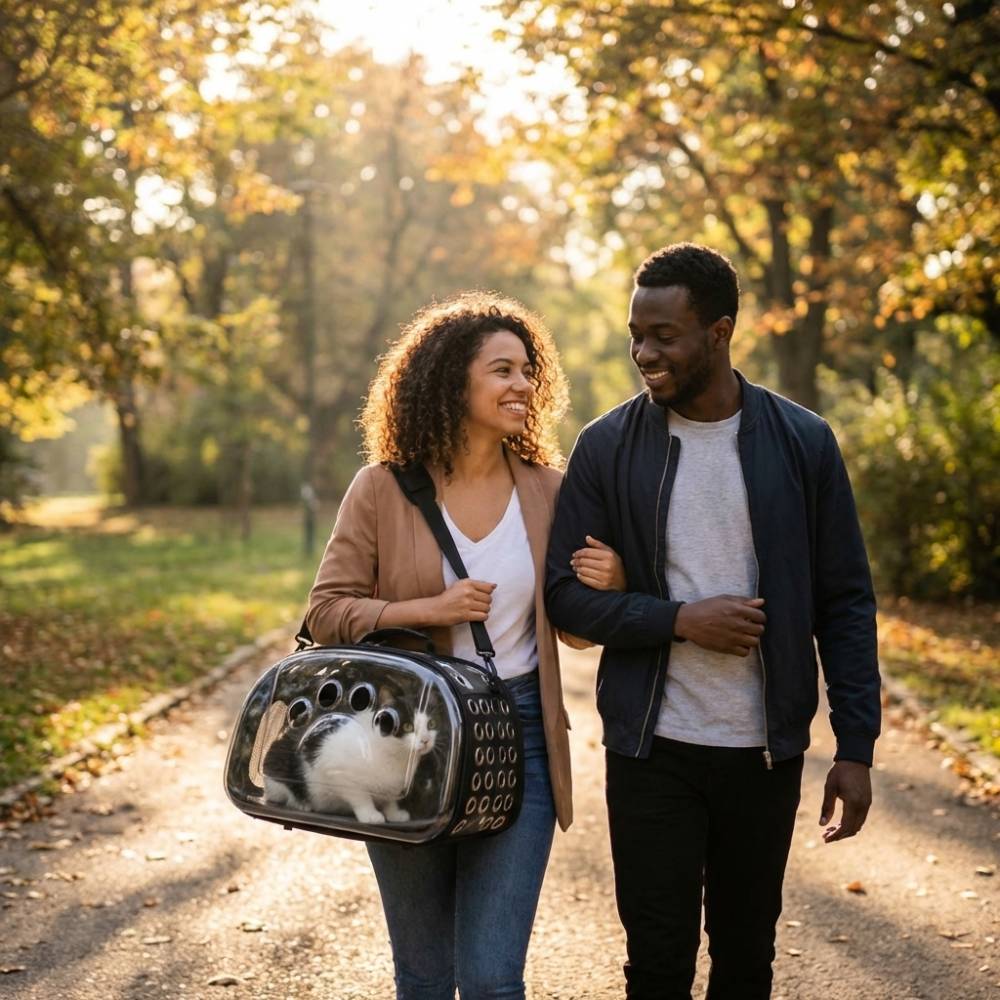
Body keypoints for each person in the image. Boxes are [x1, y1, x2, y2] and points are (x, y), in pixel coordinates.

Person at [545, 242, 880, 999]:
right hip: (649, 750)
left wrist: (855, 744)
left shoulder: (803, 443)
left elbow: (846, 602)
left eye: (664, 335)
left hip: (762, 754)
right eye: (636, 333)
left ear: (720, 332)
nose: (644, 352)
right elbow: (566, 597)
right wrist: (679, 620)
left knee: (744, 960)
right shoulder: (606, 446)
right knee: (656, 966)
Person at [305, 291, 576, 1000]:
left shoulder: (551, 489)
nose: (523, 386)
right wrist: (430, 609)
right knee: (423, 978)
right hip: (402, 737)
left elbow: (574, 629)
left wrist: (603, 582)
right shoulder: (380, 490)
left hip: (519, 737)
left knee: (491, 980)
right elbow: (325, 612)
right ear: (453, 380)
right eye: (503, 371)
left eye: (527, 372)